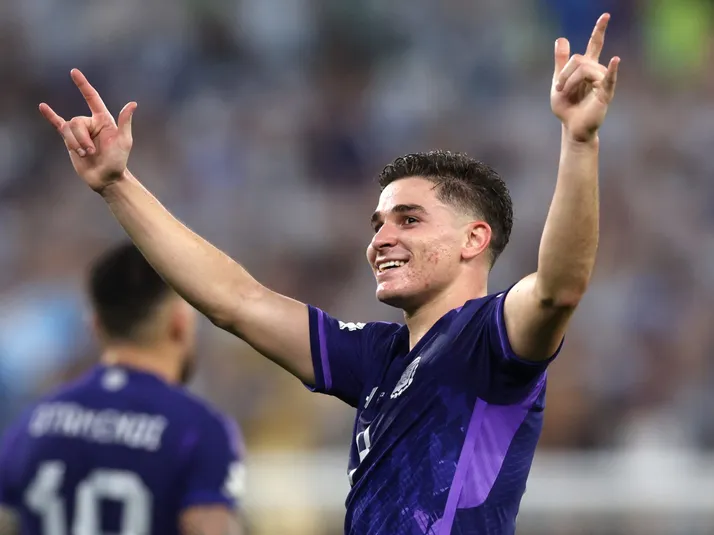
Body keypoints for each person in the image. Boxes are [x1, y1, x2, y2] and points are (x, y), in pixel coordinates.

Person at [37, 13, 619, 535]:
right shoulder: (375, 357)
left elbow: (558, 289)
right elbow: (236, 301)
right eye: (377, 224)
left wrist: (579, 138)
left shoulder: (491, 340)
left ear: (474, 239)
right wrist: (117, 184)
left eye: (409, 220)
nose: (381, 239)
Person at [0, 243, 247, 535]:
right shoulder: (200, 430)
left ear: (95, 326)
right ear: (180, 322)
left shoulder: (35, 421)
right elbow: (207, 526)